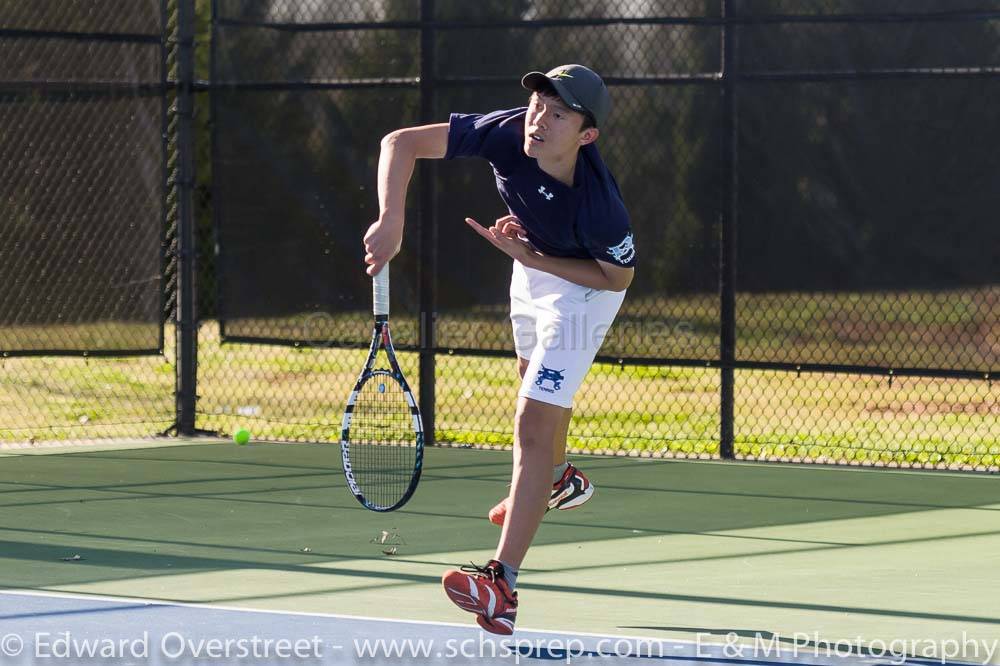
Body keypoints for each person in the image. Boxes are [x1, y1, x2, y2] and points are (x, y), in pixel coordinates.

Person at [362, 64, 636, 635]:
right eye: (538, 104)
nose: (539, 119)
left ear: (587, 135)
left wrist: (537, 259)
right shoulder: (506, 132)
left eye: (559, 113)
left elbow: (617, 277)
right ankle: (558, 478)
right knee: (530, 378)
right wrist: (392, 217)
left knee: (532, 422)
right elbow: (401, 143)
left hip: (584, 292)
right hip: (531, 267)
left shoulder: (600, 207)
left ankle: (501, 585)